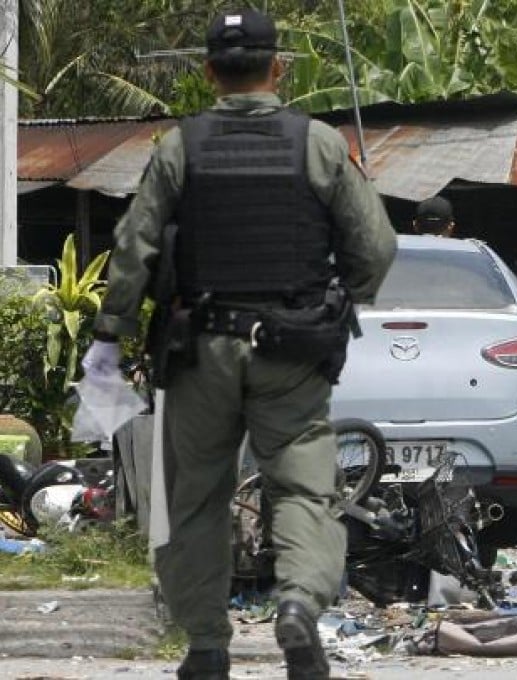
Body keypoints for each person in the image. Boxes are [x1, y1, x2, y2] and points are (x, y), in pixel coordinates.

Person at [80, 9, 396, 680]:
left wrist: (112, 335)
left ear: (208, 72)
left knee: (196, 497)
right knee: (304, 489)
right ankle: (298, 607)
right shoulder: (319, 144)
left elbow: (133, 248)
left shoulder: (179, 146)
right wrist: (339, 299)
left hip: (201, 350)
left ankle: (205, 645)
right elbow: (376, 248)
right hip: (292, 350)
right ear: (277, 67)